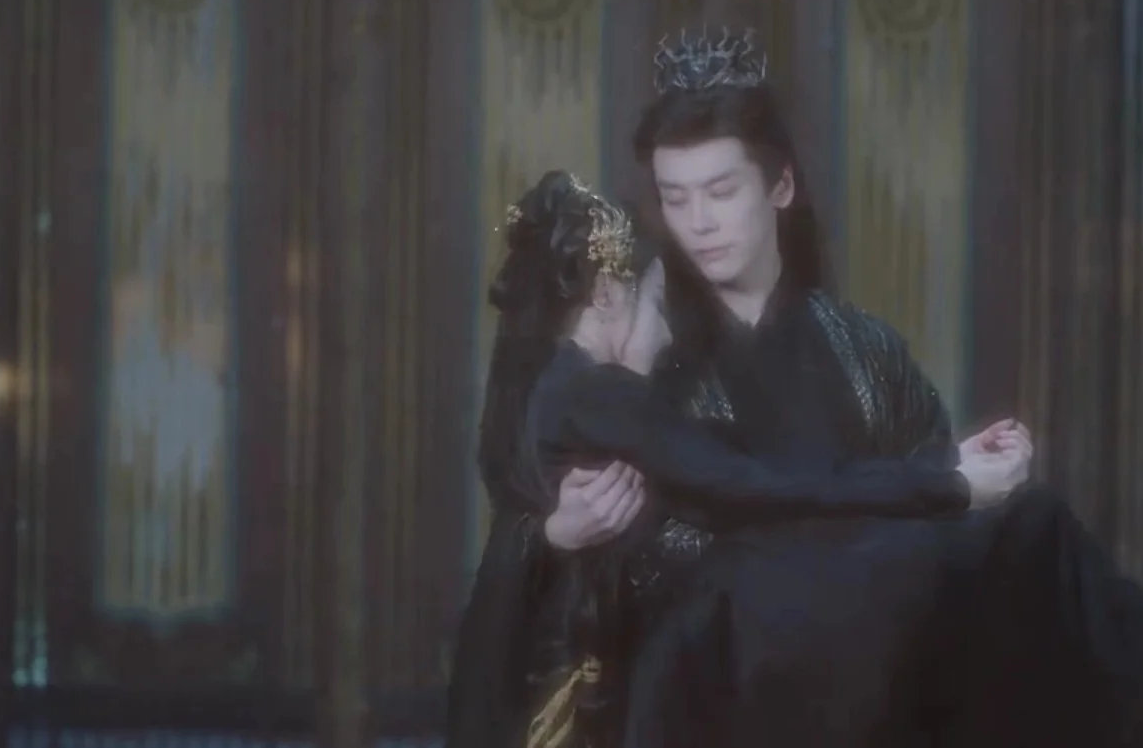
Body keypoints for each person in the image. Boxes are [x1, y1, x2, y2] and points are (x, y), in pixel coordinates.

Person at [590, 28, 1143, 747]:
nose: (699, 223)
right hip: (738, 630)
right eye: (677, 198)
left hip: (880, 620)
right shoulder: (649, 350)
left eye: (722, 191)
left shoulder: (862, 346)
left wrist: (965, 470)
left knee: (1028, 525)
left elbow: (935, 499)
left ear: (780, 186)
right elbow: (652, 551)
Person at [443, 171, 1034, 748]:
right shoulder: (597, 393)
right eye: (657, 306)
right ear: (604, 294)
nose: (667, 335)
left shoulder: (569, 390)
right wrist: (948, 485)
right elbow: (754, 484)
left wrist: (939, 469)